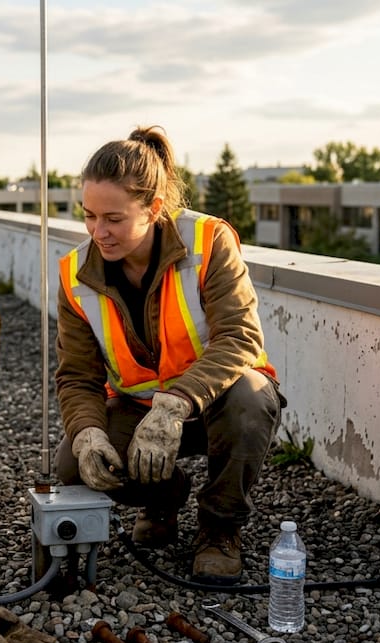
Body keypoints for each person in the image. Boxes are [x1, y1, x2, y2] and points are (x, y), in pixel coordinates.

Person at [53, 126, 284, 580]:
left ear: (154, 208)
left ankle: (219, 530)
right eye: (89, 216)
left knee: (251, 398)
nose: (99, 232)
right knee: (70, 464)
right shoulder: (75, 274)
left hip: (215, 404)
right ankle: (164, 496)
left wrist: (175, 404)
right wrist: (87, 434)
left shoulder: (207, 241)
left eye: (114, 219)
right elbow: (77, 376)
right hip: (140, 413)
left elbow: (240, 336)